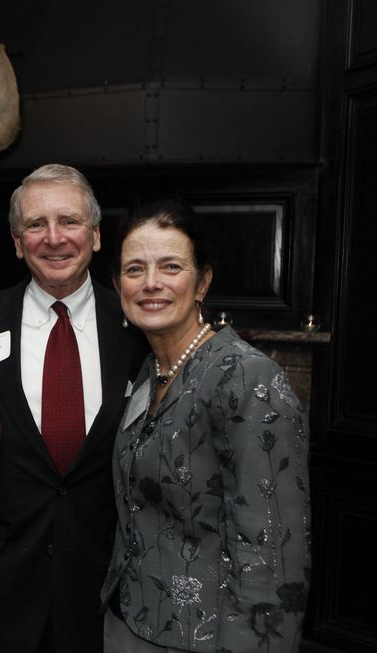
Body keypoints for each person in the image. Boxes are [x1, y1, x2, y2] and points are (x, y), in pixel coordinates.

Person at [0, 164, 149, 653]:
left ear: (97, 236)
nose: (54, 238)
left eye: (70, 221)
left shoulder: (139, 331)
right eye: (36, 225)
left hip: (102, 589)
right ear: (18, 242)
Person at [100, 199, 311, 652]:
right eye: (135, 269)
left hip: (204, 637)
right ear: (118, 285)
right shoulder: (150, 372)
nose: (151, 283)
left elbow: (272, 553)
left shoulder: (246, 377)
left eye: (170, 266)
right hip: (129, 620)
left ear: (203, 281)